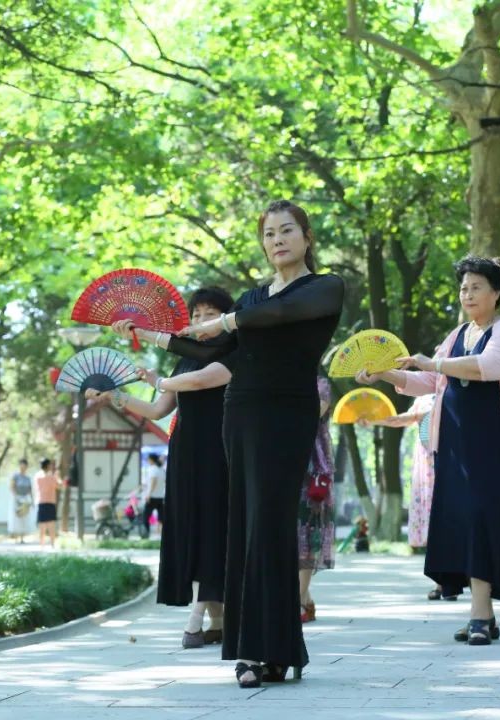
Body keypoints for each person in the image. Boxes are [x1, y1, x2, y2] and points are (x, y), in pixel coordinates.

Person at [114, 200, 344, 687]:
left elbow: (282, 314)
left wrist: (228, 321)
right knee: (244, 527)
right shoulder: (252, 296)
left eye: (287, 231)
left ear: (306, 237)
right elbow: (210, 349)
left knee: (271, 526)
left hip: (287, 414)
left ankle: (273, 648)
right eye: (268, 233)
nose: (277, 240)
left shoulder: (323, 288)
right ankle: (255, 650)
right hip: (240, 413)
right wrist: (148, 334)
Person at [357, 256, 500, 646]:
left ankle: (480, 614)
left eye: (477, 286)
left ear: (497, 292)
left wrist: (436, 363)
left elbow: (490, 366)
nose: (468, 294)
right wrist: (384, 373)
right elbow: (428, 379)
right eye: (464, 288)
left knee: (482, 519)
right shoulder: (456, 334)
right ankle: (482, 612)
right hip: (452, 444)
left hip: (490, 441)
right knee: (462, 521)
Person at [102, 286, 235, 650]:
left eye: (211, 314)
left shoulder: (233, 351)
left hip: (221, 453)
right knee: (192, 533)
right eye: (196, 315)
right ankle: (219, 621)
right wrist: (115, 396)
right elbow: (159, 411)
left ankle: (196, 620)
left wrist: (157, 377)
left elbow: (200, 381)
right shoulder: (185, 358)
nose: (201, 322)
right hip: (185, 452)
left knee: (214, 532)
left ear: (227, 319)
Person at [364, 394, 448, 600]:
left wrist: (423, 414)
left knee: (453, 519)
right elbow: (400, 419)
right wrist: (373, 419)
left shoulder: (456, 390)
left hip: (452, 462)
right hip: (427, 470)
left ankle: (464, 579)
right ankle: (442, 581)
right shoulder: (424, 398)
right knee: (433, 522)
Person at [298, 376, 336, 623]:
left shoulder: (320, 384)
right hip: (280, 464)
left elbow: (313, 412)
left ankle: (299, 599)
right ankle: (304, 599)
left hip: (312, 470)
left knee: (307, 535)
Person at [34, 458, 60, 548]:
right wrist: (56, 476)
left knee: (42, 525)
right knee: (51, 524)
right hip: (50, 502)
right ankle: (52, 544)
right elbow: (58, 486)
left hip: (41, 502)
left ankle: (42, 545)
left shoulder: (37, 476)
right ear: (48, 465)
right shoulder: (51, 477)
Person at [8, 459, 34, 543]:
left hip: (25, 499)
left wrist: (31, 500)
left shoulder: (28, 478)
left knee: (24, 518)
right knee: (16, 517)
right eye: (21, 465)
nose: (23, 467)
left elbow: (30, 489)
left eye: (24, 465)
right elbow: (12, 487)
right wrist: (16, 497)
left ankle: (22, 537)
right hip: (17, 498)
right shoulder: (15, 476)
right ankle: (16, 537)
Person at [142, 453, 166, 538]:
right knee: (161, 517)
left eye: (148, 459)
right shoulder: (161, 470)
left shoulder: (153, 469)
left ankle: (145, 535)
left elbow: (153, 482)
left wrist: (148, 494)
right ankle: (162, 535)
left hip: (152, 497)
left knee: (145, 517)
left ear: (151, 460)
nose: (147, 461)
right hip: (160, 497)